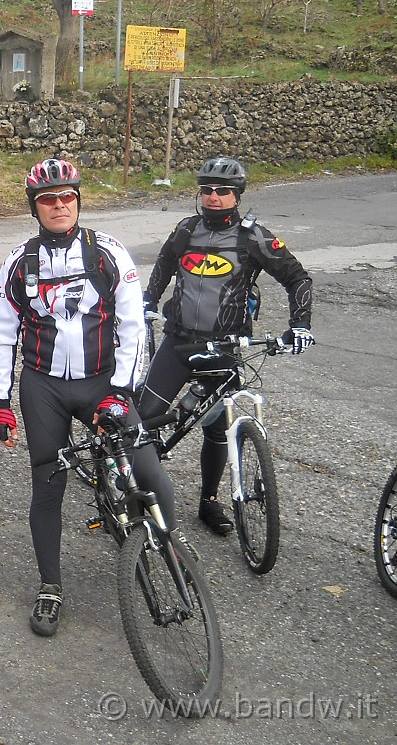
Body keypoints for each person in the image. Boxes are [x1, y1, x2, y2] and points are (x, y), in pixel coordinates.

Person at [0, 158, 183, 637]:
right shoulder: (19, 261)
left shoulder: (109, 252)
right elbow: (1, 333)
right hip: (43, 385)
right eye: (48, 200)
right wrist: (0, 401)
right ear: (34, 207)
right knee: (47, 489)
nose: (59, 206)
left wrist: (121, 391)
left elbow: (135, 327)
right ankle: (50, 586)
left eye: (67, 197)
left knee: (151, 473)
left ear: (78, 200)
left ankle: (169, 551)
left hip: (102, 380)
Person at [137, 157, 314, 535]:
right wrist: (149, 300)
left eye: (223, 191)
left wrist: (299, 326)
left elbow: (298, 278)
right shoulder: (186, 229)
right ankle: (142, 496)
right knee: (146, 418)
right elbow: (165, 264)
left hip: (225, 348)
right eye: (207, 190)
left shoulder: (253, 237)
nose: (213, 197)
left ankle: (209, 501)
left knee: (218, 430)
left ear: (237, 195)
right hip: (178, 341)